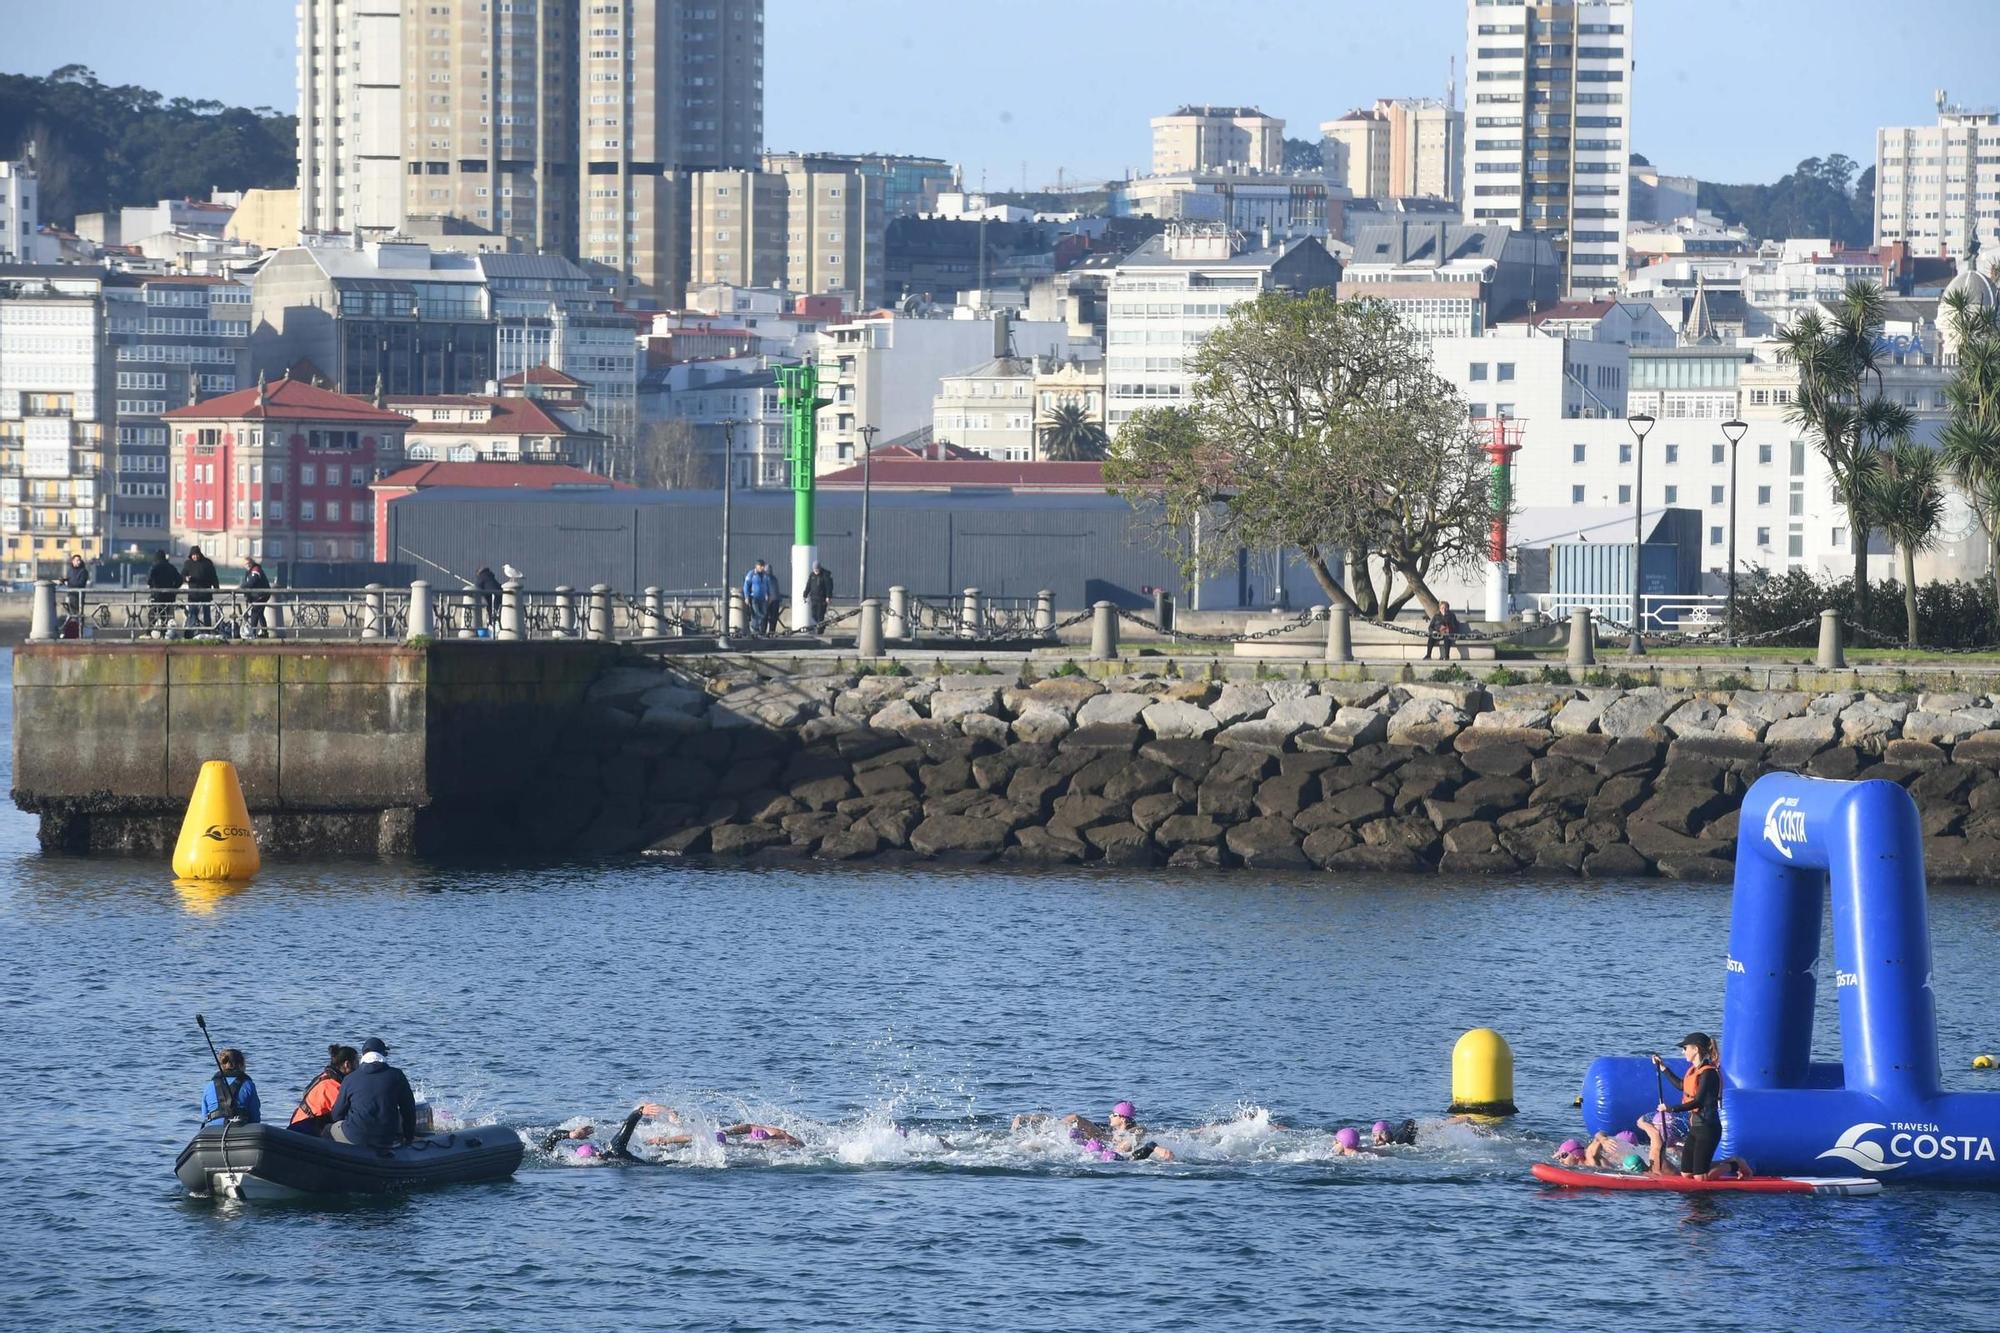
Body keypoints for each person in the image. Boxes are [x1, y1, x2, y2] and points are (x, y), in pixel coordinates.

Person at [326, 1036, 417, 1148]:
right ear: (383, 1055)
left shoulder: (349, 1079)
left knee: (327, 1130)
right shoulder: (397, 1075)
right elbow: (409, 1110)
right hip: (387, 1139)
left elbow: (336, 1115)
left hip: (355, 1137)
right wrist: (408, 1138)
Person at [1654, 1032, 1722, 1178]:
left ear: (1695, 1049)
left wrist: (1670, 1109)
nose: (1682, 1051)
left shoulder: (1708, 1073)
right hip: (1695, 1127)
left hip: (1708, 1128)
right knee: (1686, 1173)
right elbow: (1681, 1085)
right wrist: (1663, 1068)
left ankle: (1734, 1163)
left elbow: (1698, 1102)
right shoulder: (1694, 1071)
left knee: (1700, 1177)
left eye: (1685, 1048)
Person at [1061, 1100, 1174, 1162]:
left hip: (1122, 1159)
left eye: (1113, 1114)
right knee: (1075, 1134)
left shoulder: (1137, 1130)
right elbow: (1075, 1117)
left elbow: (1127, 1146)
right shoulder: (1106, 1130)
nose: (1109, 1116)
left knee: (1105, 1152)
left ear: (1123, 1118)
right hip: (1100, 1153)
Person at [289, 1044, 358, 1136]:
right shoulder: (331, 1086)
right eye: (357, 1063)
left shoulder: (325, 1077)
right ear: (347, 1064)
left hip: (303, 1123)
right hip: (304, 1127)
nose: (359, 1067)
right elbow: (345, 1112)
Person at [200, 1047, 261, 1125]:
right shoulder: (248, 1085)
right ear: (240, 1065)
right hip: (240, 1129)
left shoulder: (209, 1085)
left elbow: (205, 1116)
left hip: (213, 1130)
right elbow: (255, 1118)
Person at [181, 545, 219, 632]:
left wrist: (216, 587)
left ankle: (207, 631)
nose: (195, 556)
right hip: (193, 594)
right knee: (192, 614)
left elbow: (213, 576)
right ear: (191, 555)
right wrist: (186, 578)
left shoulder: (207, 563)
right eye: (193, 555)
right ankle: (190, 632)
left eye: (197, 554)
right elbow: (182, 575)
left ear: (200, 554)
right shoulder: (188, 563)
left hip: (205, 593)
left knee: (206, 614)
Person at [146, 549, 183, 635]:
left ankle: (149, 631)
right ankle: (164, 631)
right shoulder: (171, 567)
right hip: (169, 595)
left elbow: (149, 580)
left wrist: (153, 586)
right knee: (165, 614)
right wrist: (174, 588)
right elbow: (180, 579)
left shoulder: (154, 567)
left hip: (157, 595)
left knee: (153, 613)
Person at [742, 559, 776, 635]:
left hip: (763, 598)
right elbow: (746, 586)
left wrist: (770, 595)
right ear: (756, 566)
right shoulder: (751, 574)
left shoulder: (765, 575)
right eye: (760, 566)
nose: (762, 568)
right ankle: (754, 629)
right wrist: (746, 596)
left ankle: (758, 629)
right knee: (756, 613)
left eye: (763, 566)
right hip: (754, 597)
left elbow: (768, 586)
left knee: (763, 614)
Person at [240, 558, 272, 639]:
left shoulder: (256, 570)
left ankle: (253, 632)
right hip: (257, 595)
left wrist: (242, 587)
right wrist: (247, 595)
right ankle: (264, 632)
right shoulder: (249, 572)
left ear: (250, 563)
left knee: (255, 612)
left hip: (261, 595)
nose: (245, 566)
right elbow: (248, 583)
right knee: (260, 613)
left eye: (246, 564)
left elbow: (252, 582)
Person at [804, 561, 834, 633]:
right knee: (814, 615)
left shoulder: (825, 575)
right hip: (814, 599)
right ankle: (820, 627)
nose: (816, 571)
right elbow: (808, 586)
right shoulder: (812, 576)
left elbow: (829, 587)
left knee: (820, 615)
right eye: (814, 570)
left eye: (817, 569)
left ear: (820, 568)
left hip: (822, 599)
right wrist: (805, 594)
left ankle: (820, 631)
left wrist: (828, 597)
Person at [63, 553, 90, 626]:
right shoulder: (70, 570)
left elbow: (81, 583)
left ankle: (80, 629)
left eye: (79, 560)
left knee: (78, 613)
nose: (79, 562)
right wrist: (64, 580)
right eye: (77, 560)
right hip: (70, 595)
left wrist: (69, 583)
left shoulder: (83, 571)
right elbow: (69, 579)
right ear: (73, 561)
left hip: (79, 595)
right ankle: (71, 629)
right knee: (70, 613)